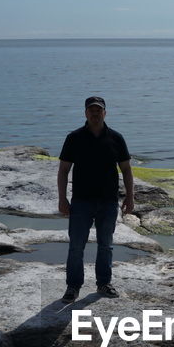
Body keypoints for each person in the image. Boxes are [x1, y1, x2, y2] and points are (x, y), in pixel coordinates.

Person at [57, 95, 134, 302]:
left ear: (105, 113)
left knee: (106, 245)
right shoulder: (74, 138)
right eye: (91, 109)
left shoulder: (116, 138)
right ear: (85, 113)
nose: (95, 113)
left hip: (109, 201)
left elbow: (126, 170)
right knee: (76, 246)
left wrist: (130, 196)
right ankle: (73, 287)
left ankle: (104, 283)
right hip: (81, 201)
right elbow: (64, 170)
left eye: (98, 109)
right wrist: (62, 198)